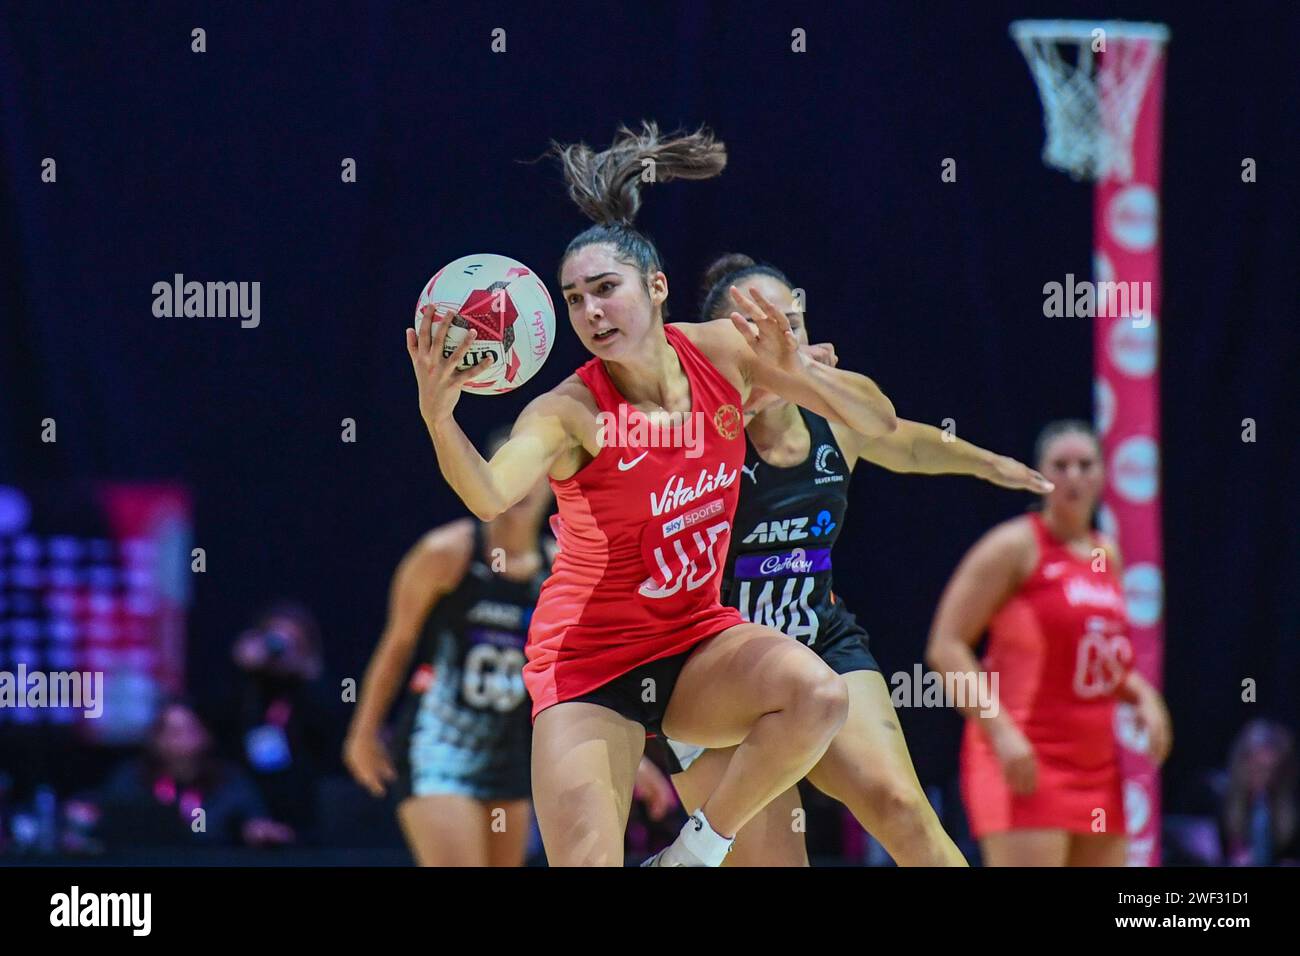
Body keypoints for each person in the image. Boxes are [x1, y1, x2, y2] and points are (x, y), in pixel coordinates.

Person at [406, 121, 901, 866]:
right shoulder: (568, 410)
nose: (592, 312)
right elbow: (486, 494)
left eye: (606, 289)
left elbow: (878, 421)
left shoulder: (725, 355)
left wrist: (803, 370)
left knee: (820, 697)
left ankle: (689, 854)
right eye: (575, 300)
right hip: (590, 663)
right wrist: (439, 418)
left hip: (694, 639)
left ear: (658, 288)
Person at [661, 254, 1053, 865]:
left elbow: (910, 442)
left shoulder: (838, 417)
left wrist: (987, 463)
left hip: (816, 639)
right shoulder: (691, 435)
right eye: (752, 330)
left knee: (902, 808)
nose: (775, 340)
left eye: (789, 324)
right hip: (713, 666)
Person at [926, 419, 1172, 866]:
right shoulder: (1014, 546)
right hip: (1025, 759)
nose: (1073, 476)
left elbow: (1102, 657)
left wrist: (1142, 695)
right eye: (1061, 465)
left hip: (1097, 767)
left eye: (1085, 465)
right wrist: (1000, 731)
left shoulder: (1106, 554)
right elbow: (946, 646)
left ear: (1102, 475)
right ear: (1039, 475)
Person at [344, 428, 552, 866]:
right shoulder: (447, 553)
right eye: (510, 471)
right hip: (438, 745)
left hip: (511, 751)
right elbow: (397, 644)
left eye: (534, 471)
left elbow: (579, 672)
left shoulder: (561, 567)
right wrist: (364, 732)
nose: (523, 485)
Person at [96, 699, 292, 848]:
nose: (181, 742)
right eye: (172, 732)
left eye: (189, 731)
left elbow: (255, 822)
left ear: (206, 735)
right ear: (154, 739)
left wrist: (258, 832)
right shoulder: (131, 779)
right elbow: (108, 823)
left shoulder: (230, 781)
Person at [229, 600, 338, 840]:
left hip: (307, 802)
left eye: (295, 643)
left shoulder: (316, 688)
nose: (281, 652)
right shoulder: (247, 688)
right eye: (275, 642)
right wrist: (242, 669)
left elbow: (330, 732)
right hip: (248, 798)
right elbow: (216, 723)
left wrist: (308, 677)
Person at [1220, 719, 1299, 865]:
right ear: (1242, 764)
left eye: (1272, 771)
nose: (1265, 778)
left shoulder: (1293, 805)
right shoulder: (1216, 798)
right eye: (1257, 769)